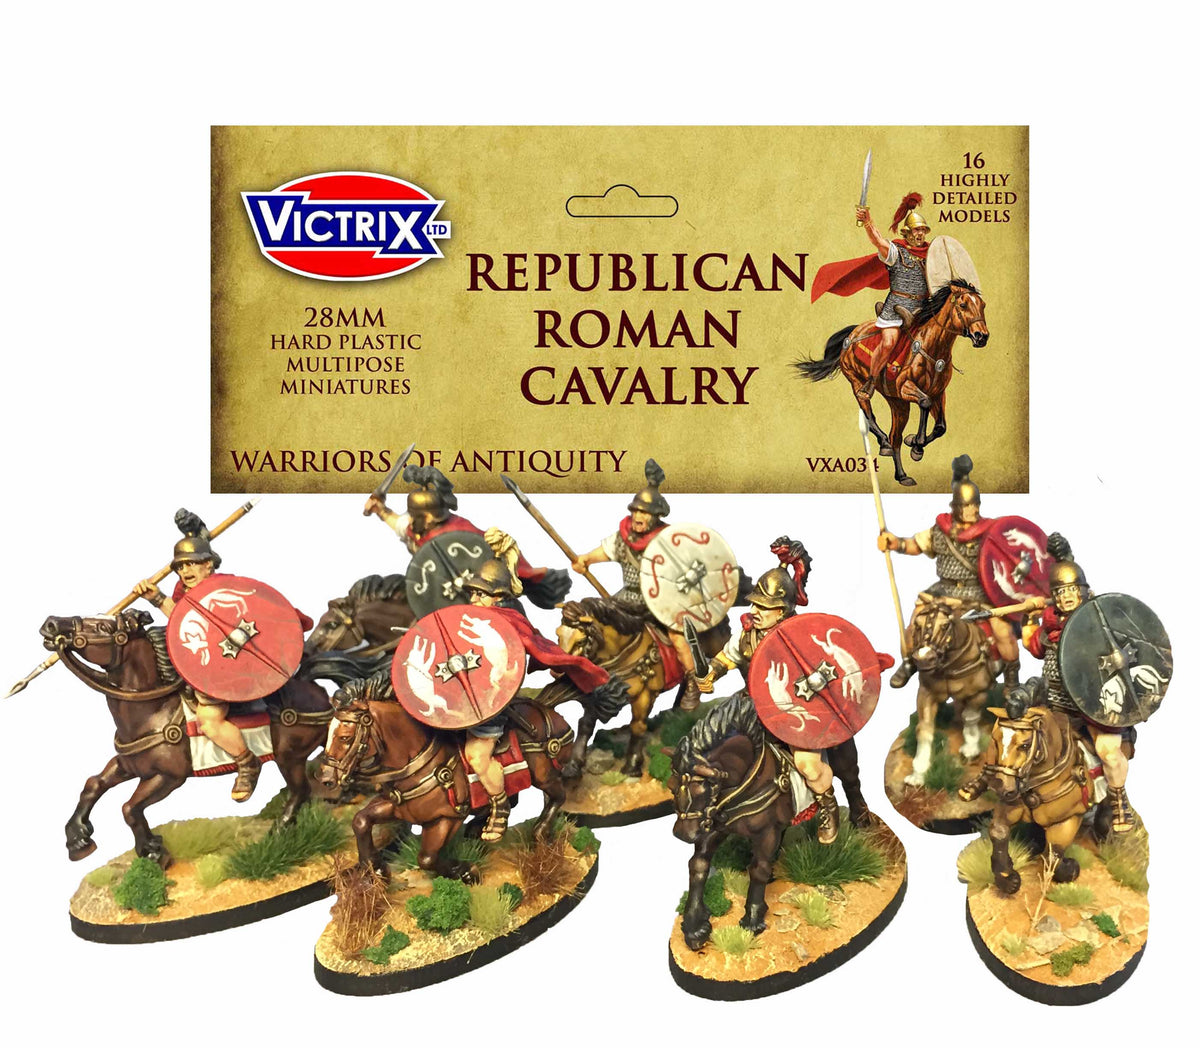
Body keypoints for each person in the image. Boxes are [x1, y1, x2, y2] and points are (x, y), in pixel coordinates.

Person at [131, 512, 314, 802]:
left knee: (209, 719)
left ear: (209, 564)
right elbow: (184, 622)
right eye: (180, 566)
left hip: (234, 674)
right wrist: (156, 597)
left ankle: (247, 763)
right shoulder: (187, 594)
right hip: (205, 669)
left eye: (192, 564)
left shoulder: (228, 589)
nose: (185, 571)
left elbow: (258, 617)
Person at [460, 530, 610, 841]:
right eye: (472, 593)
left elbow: (507, 666)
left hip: (491, 703)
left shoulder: (507, 623)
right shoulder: (470, 619)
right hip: (461, 702)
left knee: (477, 755)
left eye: (480, 594)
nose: (473, 599)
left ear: (497, 597)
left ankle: (499, 808)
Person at [694, 554, 841, 845]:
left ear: (782, 611)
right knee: (716, 747)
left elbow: (824, 676)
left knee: (808, 766)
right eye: (755, 603)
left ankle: (828, 805)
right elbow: (727, 658)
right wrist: (711, 674)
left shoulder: (802, 638)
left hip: (796, 713)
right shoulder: (747, 635)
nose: (755, 610)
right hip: (752, 707)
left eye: (764, 606)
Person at [1019, 537, 1136, 833]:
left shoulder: (1098, 625)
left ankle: (1118, 800)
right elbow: (1035, 647)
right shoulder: (1050, 626)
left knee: (1109, 753)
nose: (1067, 596)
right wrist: (1029, 618)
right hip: (1055, 705)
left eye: (1072, 590)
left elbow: (1120, 658)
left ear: (1082, 592)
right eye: (1061, 592)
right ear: (1054, 596)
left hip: (1094, 707)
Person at [877, 455, 1021, 689]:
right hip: (943, 590)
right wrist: (896, 543)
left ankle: (1012, 677)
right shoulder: (940, 530)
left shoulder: (991, 532)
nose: (971, 510)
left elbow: (1011, 560)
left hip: (980, 593)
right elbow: (915, 545)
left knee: (1003, 631)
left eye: (974, 504)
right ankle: (909, 662)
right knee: (915, 623)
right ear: (955, 507)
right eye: (966, 505)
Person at [572, 459, 703, 710]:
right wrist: (585, 560)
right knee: (595, 620)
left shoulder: (669, 540)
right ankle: (584, 667)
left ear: (656, 517)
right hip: (627, 597)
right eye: (636, 511)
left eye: (644, 513)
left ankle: (692, 681)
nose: (638, 517)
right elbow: (604, 552)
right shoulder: (624, 537)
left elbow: (693, 568)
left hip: (661, 602)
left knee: (678, 638)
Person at [364, 464, 569, 608]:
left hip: (480, 599)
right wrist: (380, 510)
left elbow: (487, 559)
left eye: (416, 516)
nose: (412, 521)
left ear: (429, 516)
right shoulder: (422, 530)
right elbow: (402, 526)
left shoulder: (457, 531)